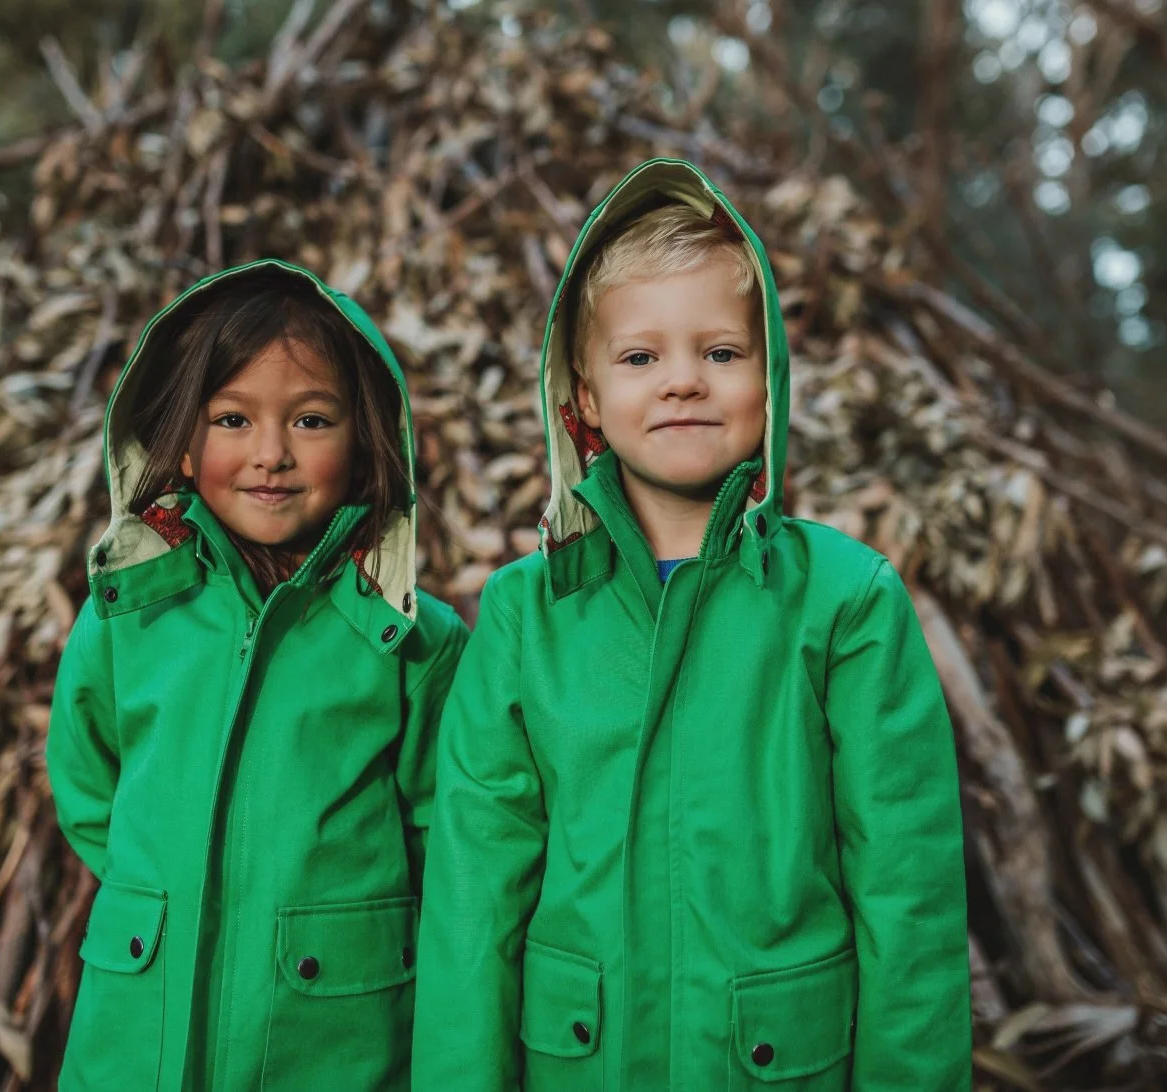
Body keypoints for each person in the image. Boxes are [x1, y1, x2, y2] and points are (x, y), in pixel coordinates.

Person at [413, 159, 970, 1090]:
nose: (682, 382)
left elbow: (907, 897)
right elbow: (474, 900)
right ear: (584, 398)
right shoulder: (524, 614)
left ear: (771, 382)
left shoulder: (847, 602)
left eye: (721, 353)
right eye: (640, 357)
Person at [47, 261, 467, 1091]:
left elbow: (444, 839)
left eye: (312, 420)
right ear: (181, 435)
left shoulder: (412, 642)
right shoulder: (127, 616)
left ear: (367, 437)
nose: (270, 454)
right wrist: (173, 890)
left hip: (336, 1039)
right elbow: (91, 792)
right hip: (141, 1037)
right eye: (232, 419)